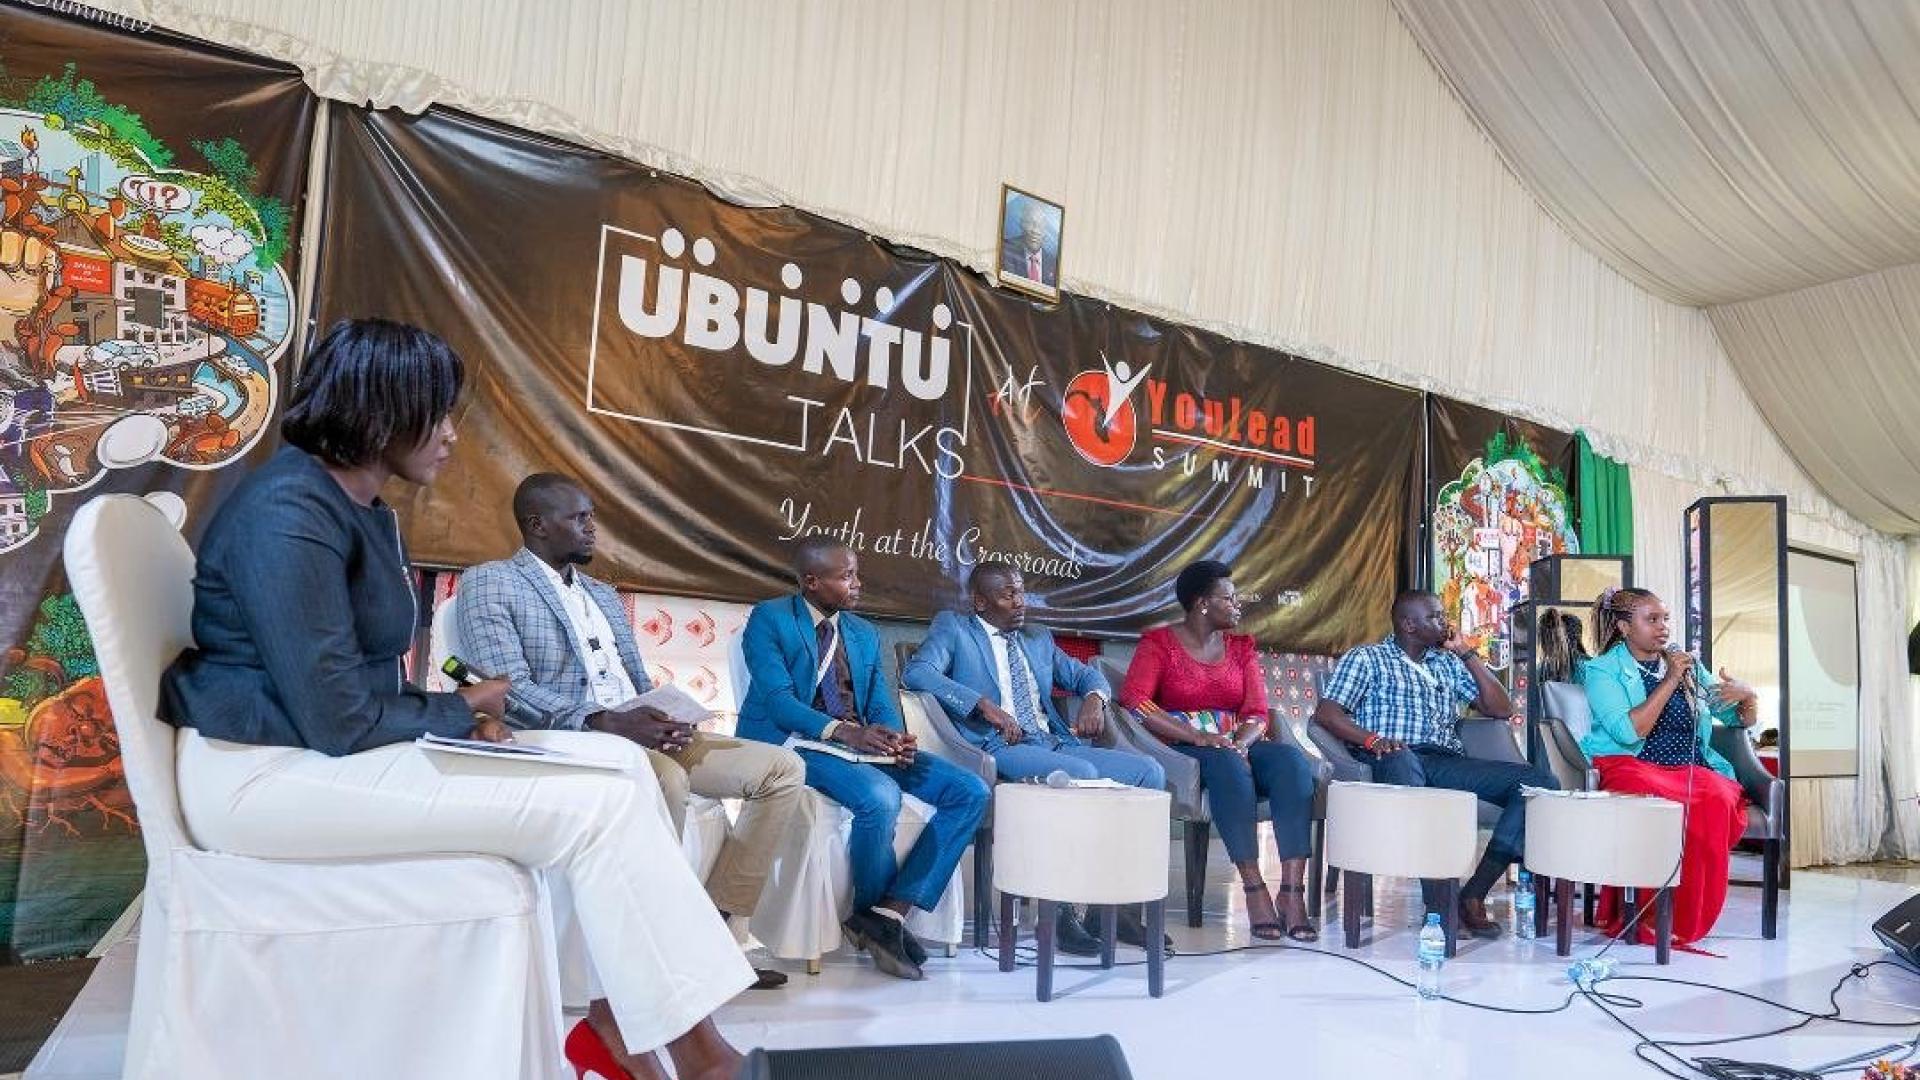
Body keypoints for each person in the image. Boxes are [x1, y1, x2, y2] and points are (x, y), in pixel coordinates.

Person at [157, 319, 749, 1080]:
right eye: (435, 414)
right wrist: (459, 710)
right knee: (594, 808)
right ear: (379, 408)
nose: (450, 437)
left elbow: (351, 684)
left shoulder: (358, 508)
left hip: (309, 746)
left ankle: (619, 1023)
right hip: (259, 774)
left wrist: (464, 712)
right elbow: (339, 718)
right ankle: (699, 1058)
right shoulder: (288, 512)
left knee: (621, 769)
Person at [455, 472, 808, 990]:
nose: (592, 528)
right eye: (579, 518)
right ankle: (653, 956)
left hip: (638, 727)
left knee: (782, 768)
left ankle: (713, 931)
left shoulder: (601, 592)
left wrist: (664, 715)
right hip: (570, 734)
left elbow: (634, 678)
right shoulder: (492, 581)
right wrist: (604, 719)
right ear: (537, 524)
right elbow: (506, 687)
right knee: (667, 778)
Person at [736, 537, 991, 980]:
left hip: (858, 741)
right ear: (812, 582)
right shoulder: (770, 619)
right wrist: (846, 732)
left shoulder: (862, 632)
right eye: (846, 575)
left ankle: (887, 914)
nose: (857, 584)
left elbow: (879, 703)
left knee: (969, 790)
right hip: (793, 741)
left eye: (856, 573)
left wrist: (895, 736)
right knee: (880, 796)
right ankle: (869, 911)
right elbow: (779, 702)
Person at [902, 564, 1166, 954]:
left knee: (1148, 772)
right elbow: (917, 672)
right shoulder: (955, 629)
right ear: (980, 601)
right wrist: (982, 705)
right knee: (1080, 773)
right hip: (997, 747)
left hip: (1053, 741)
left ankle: (1113, 910)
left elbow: (1085, 677)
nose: (1020, 602)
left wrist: (1095, 699)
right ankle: (1058, 916)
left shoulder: (1037, 637)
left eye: (1022, 592)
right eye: (1009, 595)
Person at [1312, 590, 1559, 938]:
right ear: (1408, 624)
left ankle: (1472, 896)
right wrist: (1373, 740)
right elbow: (1327, 713)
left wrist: (1466, 653)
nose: (1445, 623)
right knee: (1405, 763)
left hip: (1443, 760)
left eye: (1444, 615)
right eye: (1436, 617)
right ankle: (1438, 905)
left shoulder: (1446, 663)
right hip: (1388, 757)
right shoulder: (1367, 658)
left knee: (1539, 783)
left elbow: (1501, 709)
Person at [1118, 560, 1319, 942]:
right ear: (1201, 604)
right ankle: (1254, 889)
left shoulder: (1241, 648)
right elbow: (1135, 701)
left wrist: (1240, 742)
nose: (1237, 605)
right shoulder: (1159, 644)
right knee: (1227, 765)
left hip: (1234, 743)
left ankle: (1292, 894)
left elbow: (1258, 712)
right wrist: (1196, 737)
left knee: (1292, 763)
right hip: (1182, 748)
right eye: (1228, 598)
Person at [1561, 586, 1755, 948]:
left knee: (1715, 797)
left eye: (1665, 619)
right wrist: (1669, 681)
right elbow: (1629, 730)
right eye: (1652, 620)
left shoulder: (1688, 666)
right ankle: (1646, 915)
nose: (1663, 627)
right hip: (1633, 762)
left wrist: (1747, 695)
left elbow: (1736, 718)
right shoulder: (1602, 670)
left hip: (1690, 765)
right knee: (1655, 799)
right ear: (1623, 627)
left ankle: (1685, 918)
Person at [999, 198, 1058, 286]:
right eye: (1030, 223)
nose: (1035, 231)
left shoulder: (1053, 263)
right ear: (1021, 224)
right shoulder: (1005, 250)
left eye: (1040, 225)